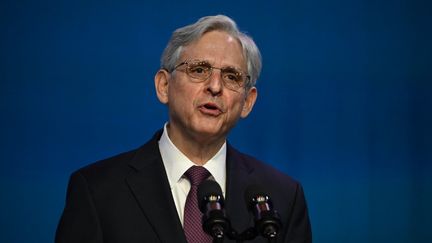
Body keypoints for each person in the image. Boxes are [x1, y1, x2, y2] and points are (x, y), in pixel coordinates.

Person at [55, 15, 312, 243]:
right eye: (198, 70)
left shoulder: (283, 197)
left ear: (247, 102)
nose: (214, 86)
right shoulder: (98, 191)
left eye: (231, 76)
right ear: (164, 86)